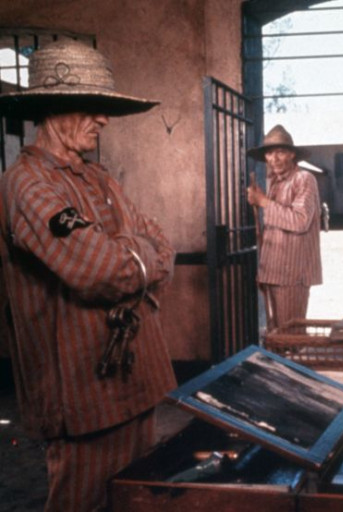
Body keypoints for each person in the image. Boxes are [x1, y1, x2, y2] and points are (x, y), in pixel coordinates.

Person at [0, 39, 176, 511]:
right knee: (82, 500)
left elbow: (163, 243)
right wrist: (134, 253)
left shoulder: (98, 178)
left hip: (136, 377)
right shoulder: (27, 184)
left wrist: (130, 250)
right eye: (90, 106)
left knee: (132, 497)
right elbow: (101, 271)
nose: (103, 119)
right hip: (81, 391)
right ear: (52, 109)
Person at [246, 124, 322, 329]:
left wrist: (263, 202)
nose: (274, 158)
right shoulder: (275, 183)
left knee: (290, 335)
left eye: (280, 152)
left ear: (292, 154)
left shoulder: (304, 179)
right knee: (276, 333)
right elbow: (273, 229)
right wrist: (264, 269)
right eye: (269, 153)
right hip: (273, 271)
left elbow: (300, 220)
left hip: (292, 274)